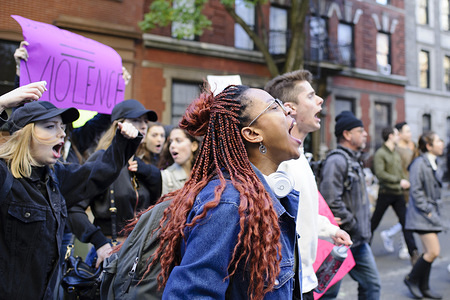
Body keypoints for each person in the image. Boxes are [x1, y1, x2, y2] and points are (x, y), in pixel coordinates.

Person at [130, 85, 303, 299]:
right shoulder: (229, 204)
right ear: (252, 133)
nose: (288, 110)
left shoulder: (258, 199)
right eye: (274, 106)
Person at [0, 100, 141, 299]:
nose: (62, 133)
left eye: (62, 127)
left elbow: (99, 173)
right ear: (25, 134)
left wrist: (124, 141)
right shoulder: (5, 176)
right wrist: (3, 103)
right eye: (50, 126)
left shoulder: (56, 176)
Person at [264, 70, 352, 300]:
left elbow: (303, 213)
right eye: (311, 96)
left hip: (304, 280)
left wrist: (331, 230)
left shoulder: (299, 155)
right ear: (290, 108)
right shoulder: (277, 161)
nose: (320, 100)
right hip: (286, 285)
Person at [68, 99, 162, 268]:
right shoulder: (102, 160)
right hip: (112, 255)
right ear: (119, 126)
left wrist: (146, 171)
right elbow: (74, 208)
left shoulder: (143, 165)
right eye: (135, 120)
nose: (142, 126)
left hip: (142, 256)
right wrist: (99, 241)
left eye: (145, 121)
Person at [319, 111, 381, 300]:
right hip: (341, 241)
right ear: (346, 134)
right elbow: (332, 201)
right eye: (360, 130)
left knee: (371, 286)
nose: (365, 134)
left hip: (358, 242)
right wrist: (353, 225)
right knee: (328, 293)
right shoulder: (337, 160)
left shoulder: (354, 159)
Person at [404, 131, 444, 299]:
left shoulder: (433, 162)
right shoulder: (419, 163)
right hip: (422, 215)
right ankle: (411, 279)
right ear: (429, 146)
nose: (441, 143)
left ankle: (424, 286)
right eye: (438, 141)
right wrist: (427, 210)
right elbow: (416, 191)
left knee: (429, 251)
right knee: (433, 251)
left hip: (429, 214)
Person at [370, 127, 419, 265]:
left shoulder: (395, 153)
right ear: (390, 136)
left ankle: (413, 253)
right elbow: (380, 174)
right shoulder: (380, 153)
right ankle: (363, 249)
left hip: (398, 194)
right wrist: (399, 181)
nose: (399, 136)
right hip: (386, 193)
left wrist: (406, 182)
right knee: (374, 223)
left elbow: (400, 173)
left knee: (406, 223)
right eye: (397, 134)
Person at [158, 127, 200, 195]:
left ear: (194, 146)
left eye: (178, 141)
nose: (172, 145)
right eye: (171, 142)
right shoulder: (165, 176)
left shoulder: (203, 174)